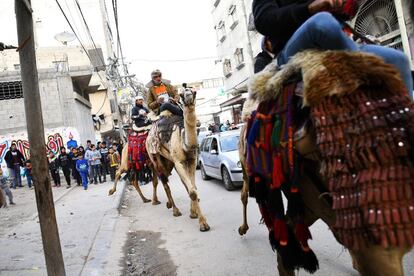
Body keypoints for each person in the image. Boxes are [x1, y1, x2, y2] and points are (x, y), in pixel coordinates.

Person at [252, 0, 413, 96]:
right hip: (293, 53)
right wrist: (309, 9)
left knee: (398, 59)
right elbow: (264, 21)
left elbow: (346, 12)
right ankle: (363, 67)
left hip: (338, 43)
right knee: (322, 21)